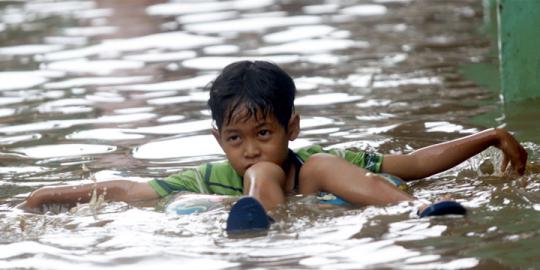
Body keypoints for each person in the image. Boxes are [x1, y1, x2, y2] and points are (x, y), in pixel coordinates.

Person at [18, 61, 528, 233]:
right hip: (241, 211)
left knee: (326, 167)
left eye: (265, 134)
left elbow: (413, 163)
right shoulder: (205, 180)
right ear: (218, 140)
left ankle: (415, 211)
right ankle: (258, 215)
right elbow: (126, 189)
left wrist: (486, 136)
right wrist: (49, 194)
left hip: (340, 194)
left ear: (292, 128)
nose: (251, 151)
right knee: (261, 179)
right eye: (235, 140)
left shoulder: (324, 163)